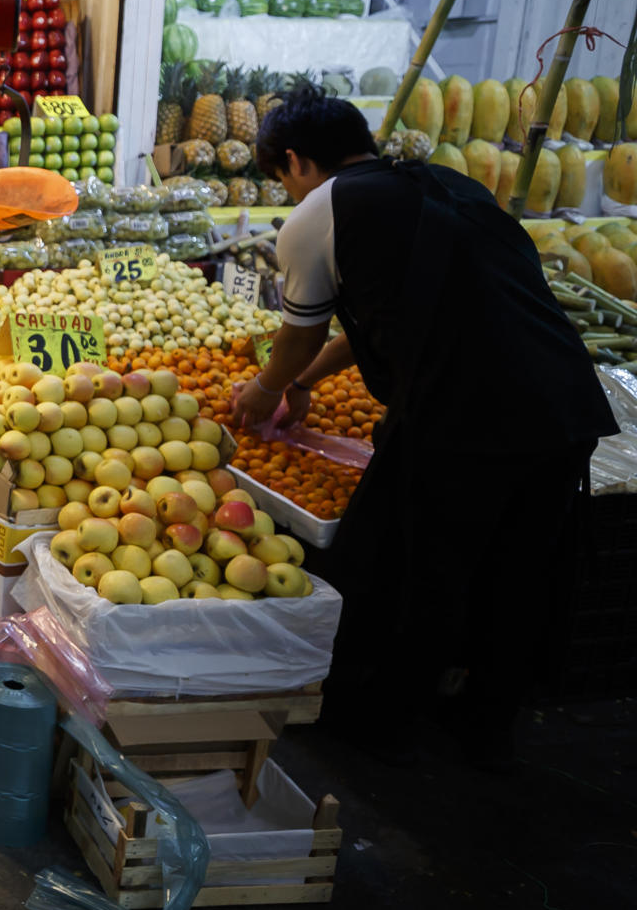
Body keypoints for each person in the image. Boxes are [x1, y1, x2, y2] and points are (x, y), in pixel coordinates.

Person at [231, 94, 615, 760]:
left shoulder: (316, 212)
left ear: (294, 160)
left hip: (468, 411)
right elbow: (381, 315)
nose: (286, 188)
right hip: (563, 400)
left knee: (417, 564)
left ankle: (379, 727)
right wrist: (303, 383)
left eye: (281, 174)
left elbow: (300, 333)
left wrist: (267, 389)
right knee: (518, 571)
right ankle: (485, 722)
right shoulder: (445, 183)